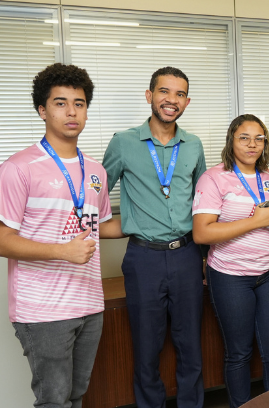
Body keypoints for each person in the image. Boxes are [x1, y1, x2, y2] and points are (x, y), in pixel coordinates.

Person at [0, 63, 123, 407]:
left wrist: (157, 225)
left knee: (76, 395)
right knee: (55, 400)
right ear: (42, 110)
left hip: (90, 302)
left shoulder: (95, 170)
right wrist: (63, 251)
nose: (71, 111)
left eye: (79, 103)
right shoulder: (18, 167)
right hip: (43, 309)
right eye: (60, 103)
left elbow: (100, 224)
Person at [103, 67, 207, 408]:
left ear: (186, 102)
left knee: (190, 344)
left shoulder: (193, 145)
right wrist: (130, 220)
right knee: (146, 348)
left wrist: (205, 256)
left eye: (179, 94)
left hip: (187, 256)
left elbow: (204, 203)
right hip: (143, 259)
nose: (171, 100)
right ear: (149, 95)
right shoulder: (124, 143)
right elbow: (97, 195)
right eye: (164, 92)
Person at [192, 114, 269, 407]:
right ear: (231, 140)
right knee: (239, 353)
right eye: (244, 137)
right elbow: (201, 233)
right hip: (230, 277)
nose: (252, 144)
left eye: (259, 138)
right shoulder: (214, 178)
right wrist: (255, 220)